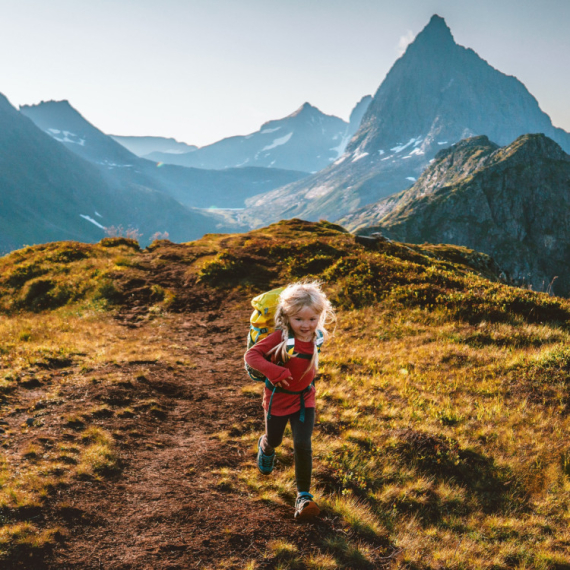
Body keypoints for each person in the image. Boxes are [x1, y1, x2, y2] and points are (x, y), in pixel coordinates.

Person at [244, 281, 335, 520]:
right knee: (275, 438)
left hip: (306, 399)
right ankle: (266, 446)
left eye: (312, 319)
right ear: (287, 317)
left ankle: (303, 496)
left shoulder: (318, 336)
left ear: (320, 317)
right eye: (299, 320)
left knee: (302, 445)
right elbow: (251, 355)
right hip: (278, 399)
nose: (306, 325)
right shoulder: (279, 337)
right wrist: (275, 372)